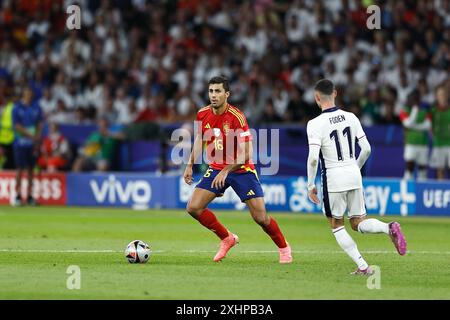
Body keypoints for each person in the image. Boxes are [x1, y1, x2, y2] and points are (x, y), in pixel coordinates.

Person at [183, 76, 292, 263]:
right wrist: (190, 164)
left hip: (241, 168)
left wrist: (227, 170)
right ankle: (227, 238)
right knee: (193, 207)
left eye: (218, 91)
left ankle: (284, 248)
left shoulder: (236, 117)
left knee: (260, 217)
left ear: (227, 94)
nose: (214, 95)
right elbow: (201, 140)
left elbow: (248, 152)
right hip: (217, 166)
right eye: (211, 91)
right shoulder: (202, 114)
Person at [306, 79, 407, 275]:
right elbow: (367, 149)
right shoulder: (351, 117)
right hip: (353, 174)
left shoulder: (315, 124)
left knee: (336, 225)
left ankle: (363, 266)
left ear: (317, 98)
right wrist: (355, 167)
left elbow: (312, 159)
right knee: (358, 222)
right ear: (335, 93)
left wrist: (310, 185)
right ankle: (389, 227)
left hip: (333, 178)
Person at [12, 87, 43, 206]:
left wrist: (37, 138)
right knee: (20, 169)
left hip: (32, 144)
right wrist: (32, 136)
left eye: (30, 94)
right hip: (20, 143)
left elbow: (39, 124)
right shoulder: (17, 108)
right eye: (27, 93)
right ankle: (17, 196)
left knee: (31, 170)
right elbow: (17, 126)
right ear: (23, 94)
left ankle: (30, 196)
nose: (29, 96)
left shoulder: (36, 107)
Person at [399, 90, 432, 180]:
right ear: (409, 99)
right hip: (410, 144)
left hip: (423, 144)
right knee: (409, 169)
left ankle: (421, 190)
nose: (415, 101)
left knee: (423, 170)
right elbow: (407, 124)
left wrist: (413, 127)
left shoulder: (426, 111)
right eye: (412, 99)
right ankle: (407, 191)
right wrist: (415, 110)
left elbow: (428, 125)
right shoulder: (403, 111)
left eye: (416, 99)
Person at [430, 85, 450, 180]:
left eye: (443, 94)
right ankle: (441, 189)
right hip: (438, 144)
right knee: (440, 170)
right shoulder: (433, 111)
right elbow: (429, 126)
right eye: (440, 94)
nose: (442, 97)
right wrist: (433, 136)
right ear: (437, 96)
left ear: (447, 95)